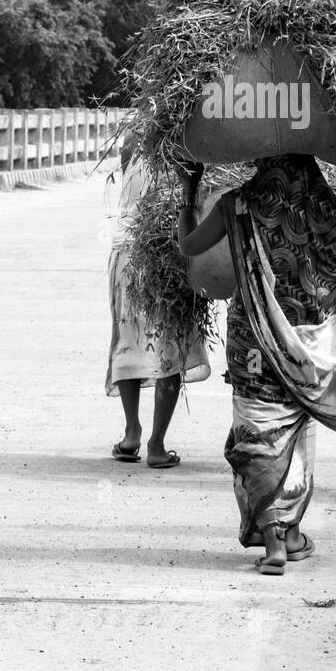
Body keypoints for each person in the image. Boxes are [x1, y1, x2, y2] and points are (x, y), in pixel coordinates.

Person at [177, 153, 336, 574]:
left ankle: (275, 542)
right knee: (296, 434)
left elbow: (188, 247)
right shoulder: (325, 208)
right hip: (306, 346)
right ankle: (290, 533)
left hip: (252, 340)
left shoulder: (235, 204)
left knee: (259, 432)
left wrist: (188, 190)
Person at [106, 133, 210, 468]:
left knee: (128, 341)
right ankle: (156, 444)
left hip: (128, 252)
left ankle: (132, 431)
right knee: (171, 344)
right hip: (169, 253)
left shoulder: (133, 140)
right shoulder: (193, 142)